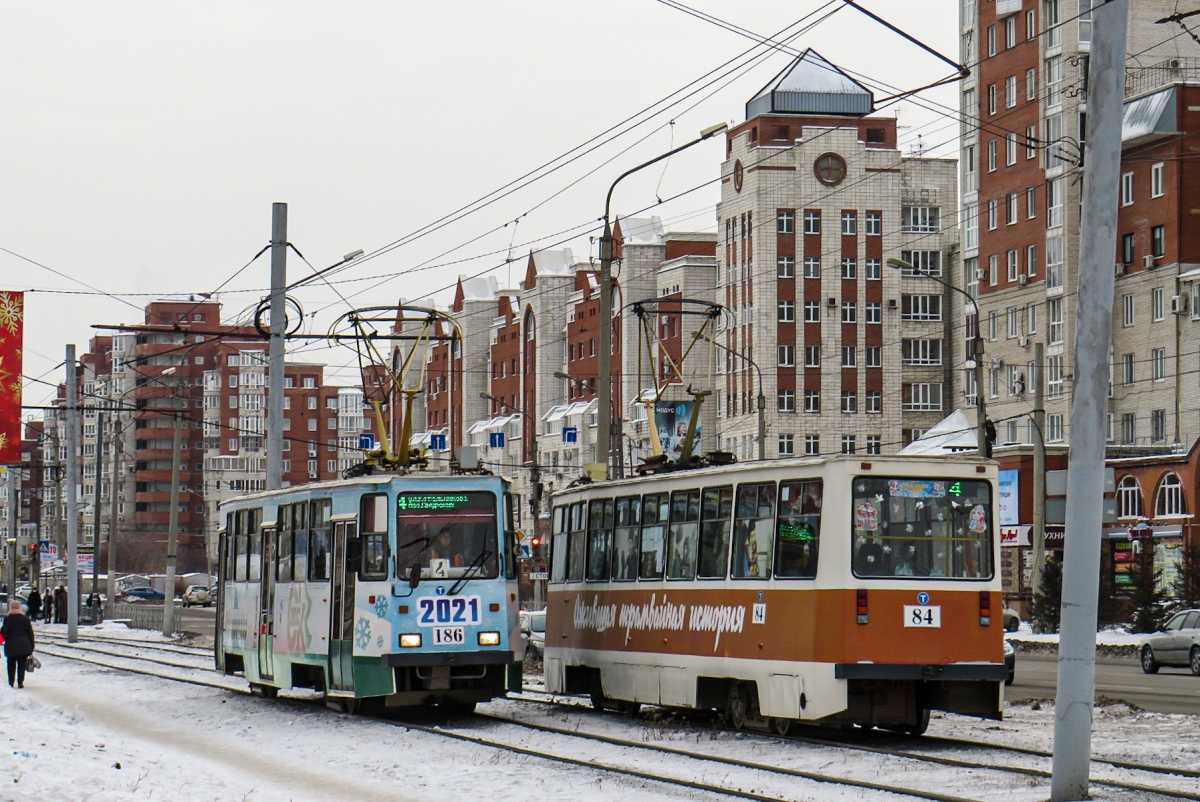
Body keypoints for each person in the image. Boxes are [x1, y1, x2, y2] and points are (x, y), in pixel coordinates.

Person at [1, 600, 35, 688]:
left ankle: (11, 682)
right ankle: (20, 682)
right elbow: (30, 633)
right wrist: (31, 646)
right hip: (24, 645)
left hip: (11, 645)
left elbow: (4, 632)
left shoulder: (7, 619)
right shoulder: (26, 619)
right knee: (21, 665)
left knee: (11, 665)